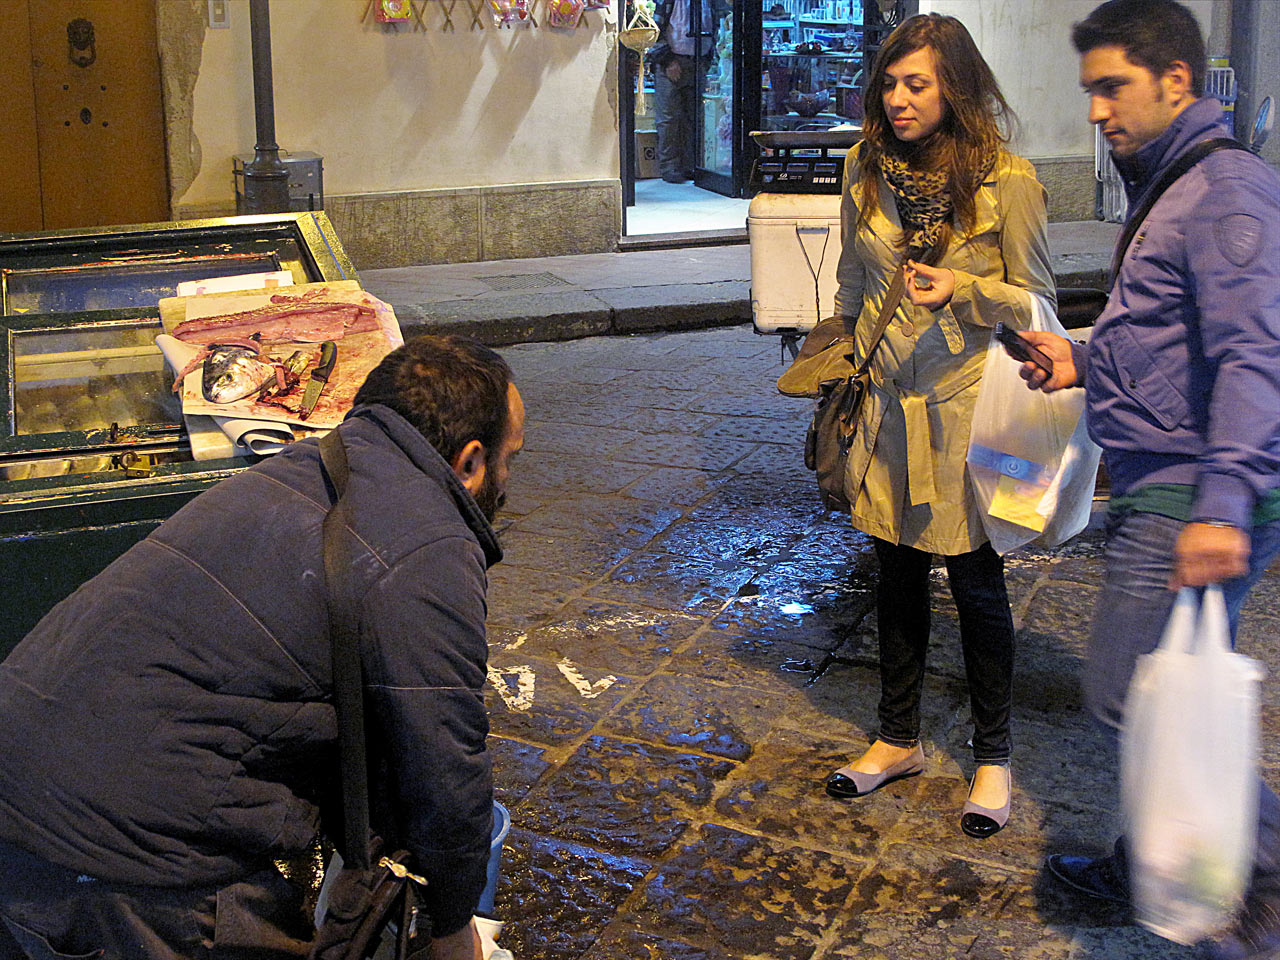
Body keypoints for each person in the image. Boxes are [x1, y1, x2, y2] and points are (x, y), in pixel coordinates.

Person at [0, 334, 525, 960]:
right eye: (511, 458)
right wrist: (452, 927)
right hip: (120, 855)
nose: (509, 480)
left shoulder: (299, 470)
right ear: (469, 461)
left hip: (29, 787)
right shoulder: (429, 546)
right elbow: (445, 767)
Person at [1011, 2, 1280, 957]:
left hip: (1185, 490)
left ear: (1176, 81)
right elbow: (1176, 337)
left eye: (1112, 87)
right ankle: (1153, 860)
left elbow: (1255, 356)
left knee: (1130, 688)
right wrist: (1082, 361)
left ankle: (1248, 888)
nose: (1096, 112)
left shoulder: (1226, 192)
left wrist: (1222, 505)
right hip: (1169, 477)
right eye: (1091, 90)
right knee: (1171, 679)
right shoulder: (1170, 184)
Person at [821, 13, 1056, 840]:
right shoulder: (865, 169)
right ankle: (897, 739)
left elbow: (1038, 303)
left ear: (955, 87)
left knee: (976, 583)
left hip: (965, 409)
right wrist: (836, 362)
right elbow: (854, 276)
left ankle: (993, 755)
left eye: (916, 84)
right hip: (886, 404)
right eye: (889, 83)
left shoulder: (1008, 179)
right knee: (893, 572)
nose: (897, 100)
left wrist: (963, 287)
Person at [649, 0, 712, 183]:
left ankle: (690, 165)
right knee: (668, 119)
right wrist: (667, 60)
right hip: (672, 61)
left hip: (697, 60)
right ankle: (669, 167)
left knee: (694, 118)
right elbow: (653, 29)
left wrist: (706, 59)